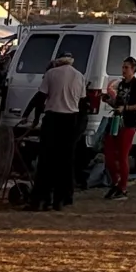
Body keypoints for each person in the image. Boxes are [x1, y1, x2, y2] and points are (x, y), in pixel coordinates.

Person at [29, 48, 90, 210]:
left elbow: (40, 98)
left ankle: (41, 198)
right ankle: (61, 198)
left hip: (53, 119)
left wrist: (35, 118)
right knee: (65, 162)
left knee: (46, 161)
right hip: (70, 120)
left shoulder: (51, 74)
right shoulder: (79, 76)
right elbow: (83, 105)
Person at [100, 55, 136, 198]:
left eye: (126, 67)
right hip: (116, 121)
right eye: (123, 67)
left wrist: (125, 108)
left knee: (123, 154)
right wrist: (108, 100)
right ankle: (115, 182)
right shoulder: (122, 84)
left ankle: (123, 187)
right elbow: (117, 104)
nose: (123, 70)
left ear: (133, 69)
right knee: (109, 154)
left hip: (128, 123)